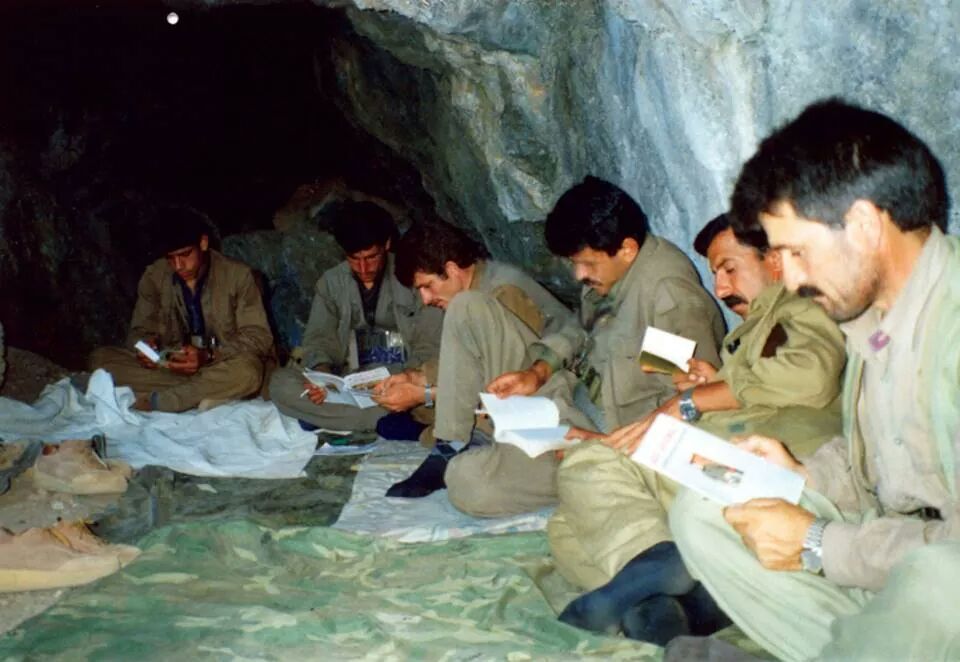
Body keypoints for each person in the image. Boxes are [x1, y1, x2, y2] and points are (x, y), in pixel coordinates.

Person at [669, 99, 960, 662]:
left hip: (938, 572)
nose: (791, 279)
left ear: (865, 226)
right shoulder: (872, 317)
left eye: (797, 252)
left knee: (941, 586)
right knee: (704, 509)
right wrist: (802, 473)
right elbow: (882, 464)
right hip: (890, 550)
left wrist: (818, 541)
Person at [547, 212, 846, 644]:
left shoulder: (796, 304)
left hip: (758, 461)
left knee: (588, 466)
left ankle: (667, 567)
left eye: (729, 269)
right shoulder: (610, 297)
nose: (720, 289)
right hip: (713, 448)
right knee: (565, 527)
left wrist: (692, 400)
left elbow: (808, 376)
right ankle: (684, 597)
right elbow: (756, 381)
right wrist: (712, 380)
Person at [383, 220, 593, 515]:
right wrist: (416, 376)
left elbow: (508, 378)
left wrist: (426, 394)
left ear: (452, 269)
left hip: (550, 400)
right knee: (464, 480)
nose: (425, 299)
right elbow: (467, 360)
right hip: (525, 416)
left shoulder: (500, 292)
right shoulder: (474, 289)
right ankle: (459, 445)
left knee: (465, 309)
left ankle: (450, 445)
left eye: (427, 286)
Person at [488, 175, 726, 435]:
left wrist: (601, 444)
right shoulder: (611, 272)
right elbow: (583, 326)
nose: (579, 274)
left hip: (616, 428)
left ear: (627, 249)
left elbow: (688, 403)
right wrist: (538, 373)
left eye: (588, 264)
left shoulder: (666, 299)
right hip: (577, 394)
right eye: (574, 263)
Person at [269, 202, 442, 434]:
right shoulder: (331, 282)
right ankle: (378, 419)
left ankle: (330, 417)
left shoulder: (414, 277)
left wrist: (406, 380)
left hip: (401, 376)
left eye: (371, 257)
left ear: (386, 244)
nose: (363, 267)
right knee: (280, 384)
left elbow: (430, 344)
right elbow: (319, 339)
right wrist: (323, 380)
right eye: (354, 258)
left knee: (427, 390)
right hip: (350, 380)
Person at [90, 207, 273, 412]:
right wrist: (145, 347)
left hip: (222, 362)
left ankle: (163, 401)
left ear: (203, 243)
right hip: (175, 366)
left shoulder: (238, 276)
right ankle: (207, 392)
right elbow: (138, 332)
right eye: (171, 258)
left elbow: (259, 336)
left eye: (185, 255)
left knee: (248, 372)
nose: (178, 265)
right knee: (101, 360)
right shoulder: (154, 276)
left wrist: (209, 356)